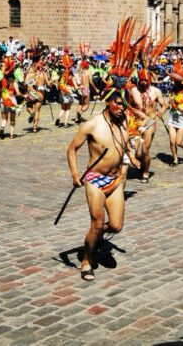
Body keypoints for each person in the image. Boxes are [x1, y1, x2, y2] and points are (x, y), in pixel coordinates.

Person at [66, 89, 131, 282]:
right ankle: (87, 260)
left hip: (116, 180)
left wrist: (131, 156)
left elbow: (123, 144)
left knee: (116, 226)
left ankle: (96, 235)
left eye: (124, 104)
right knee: (96, 223)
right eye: (118, 103)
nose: (121, 107)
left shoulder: (124, 120)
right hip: (95, 179)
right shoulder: (92, 125)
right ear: (107, 102)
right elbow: (72, 149)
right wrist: (75, 174)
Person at [129, 68, 167, 183]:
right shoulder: (133, 91)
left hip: (150, 122)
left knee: (145, 150)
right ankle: (142, 164)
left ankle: (146, 172)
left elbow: (164, 105)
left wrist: (162, 111)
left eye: (146, 80)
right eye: (141, 80)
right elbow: (128, 106)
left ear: (149, 79)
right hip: (136, 122)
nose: (143, 82)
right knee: (136, 152)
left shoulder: (156, 91)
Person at [0, 56, 21, 139]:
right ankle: (12, 135)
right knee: (12, 119)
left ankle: (2, 128)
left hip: (3, 99)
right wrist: (24, 95)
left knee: (4, 119)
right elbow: (18, 92)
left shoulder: (2, 80)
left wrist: (1, 96)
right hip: (12, 100)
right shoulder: (13, 80)